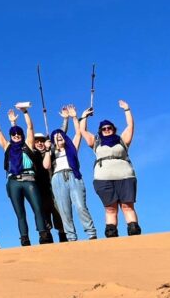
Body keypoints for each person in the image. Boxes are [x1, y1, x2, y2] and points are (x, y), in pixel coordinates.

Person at [0, 101, 54, 246]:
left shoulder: (28, 145)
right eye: (13, 134)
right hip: (13, 181)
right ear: (11, 136)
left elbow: (30, 127)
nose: (16, 135)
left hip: (29, 179)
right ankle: (24, 238)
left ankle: (43, 235)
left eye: (19, 133)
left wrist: (25, 112)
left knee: (38, 208)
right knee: (20, 213)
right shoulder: (7, 146)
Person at [80, 100, 141, 237]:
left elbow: (130, 126)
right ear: (100, 131)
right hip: (103, 179)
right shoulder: (96, 142)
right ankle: (112, 236)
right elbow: (83, 131)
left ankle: (134, 234)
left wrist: (127, 109)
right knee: (110, 209)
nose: (107, 130)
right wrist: (84, 117)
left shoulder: (122, 140)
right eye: (104, 128)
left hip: (125, 176)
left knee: (127, 206)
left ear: (113, 129)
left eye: (109, 128)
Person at [42, 105, 97, 241]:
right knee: (64, 210)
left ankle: (91, 233)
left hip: (73, 176)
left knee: (81, 207)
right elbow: (46, 165)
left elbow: (78, 133)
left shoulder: (72, 148)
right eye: (56, 137)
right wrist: (48, 150)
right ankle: (71, 237)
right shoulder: (51, 153)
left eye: (61, 135)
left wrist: (74, 117)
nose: (59, 137)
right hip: (57, 179)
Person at [22, 107, 70, 242]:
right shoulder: (31, 154)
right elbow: (25, 137)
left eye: (41, 141)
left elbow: (61, 135)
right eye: (36, 141)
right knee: (43, 216)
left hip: (54, 188)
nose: (39, 143)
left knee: (59, 213)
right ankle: (46, 238)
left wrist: (65, 119)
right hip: (39, 189)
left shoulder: (51, 150)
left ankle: (63, 237)